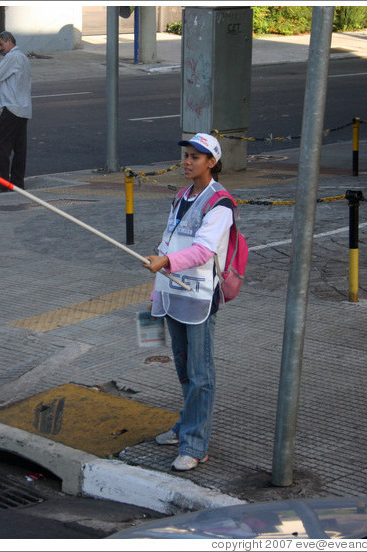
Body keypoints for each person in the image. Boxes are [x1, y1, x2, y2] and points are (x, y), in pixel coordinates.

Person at [143, 133, 233, 472]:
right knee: (183, 369)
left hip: (198, 297)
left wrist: (164, 263)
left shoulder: (220, 203)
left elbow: (203, 251)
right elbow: (169, 242)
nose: (188, 161)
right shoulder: (181, 196)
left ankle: (196, 444)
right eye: (186, 155)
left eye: (197, 157)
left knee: (200, 373)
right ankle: (186, 425)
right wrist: (157, 288)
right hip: (171, 294)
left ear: (212, 162)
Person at [0, 31, 32, 191]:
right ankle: (17, 181)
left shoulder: (12, 57)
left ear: (8, 41)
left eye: (0, 45)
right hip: (23, 108)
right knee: (19, 148)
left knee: (2, 146)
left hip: (11, 107)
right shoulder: (23, 57)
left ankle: (2, 183)